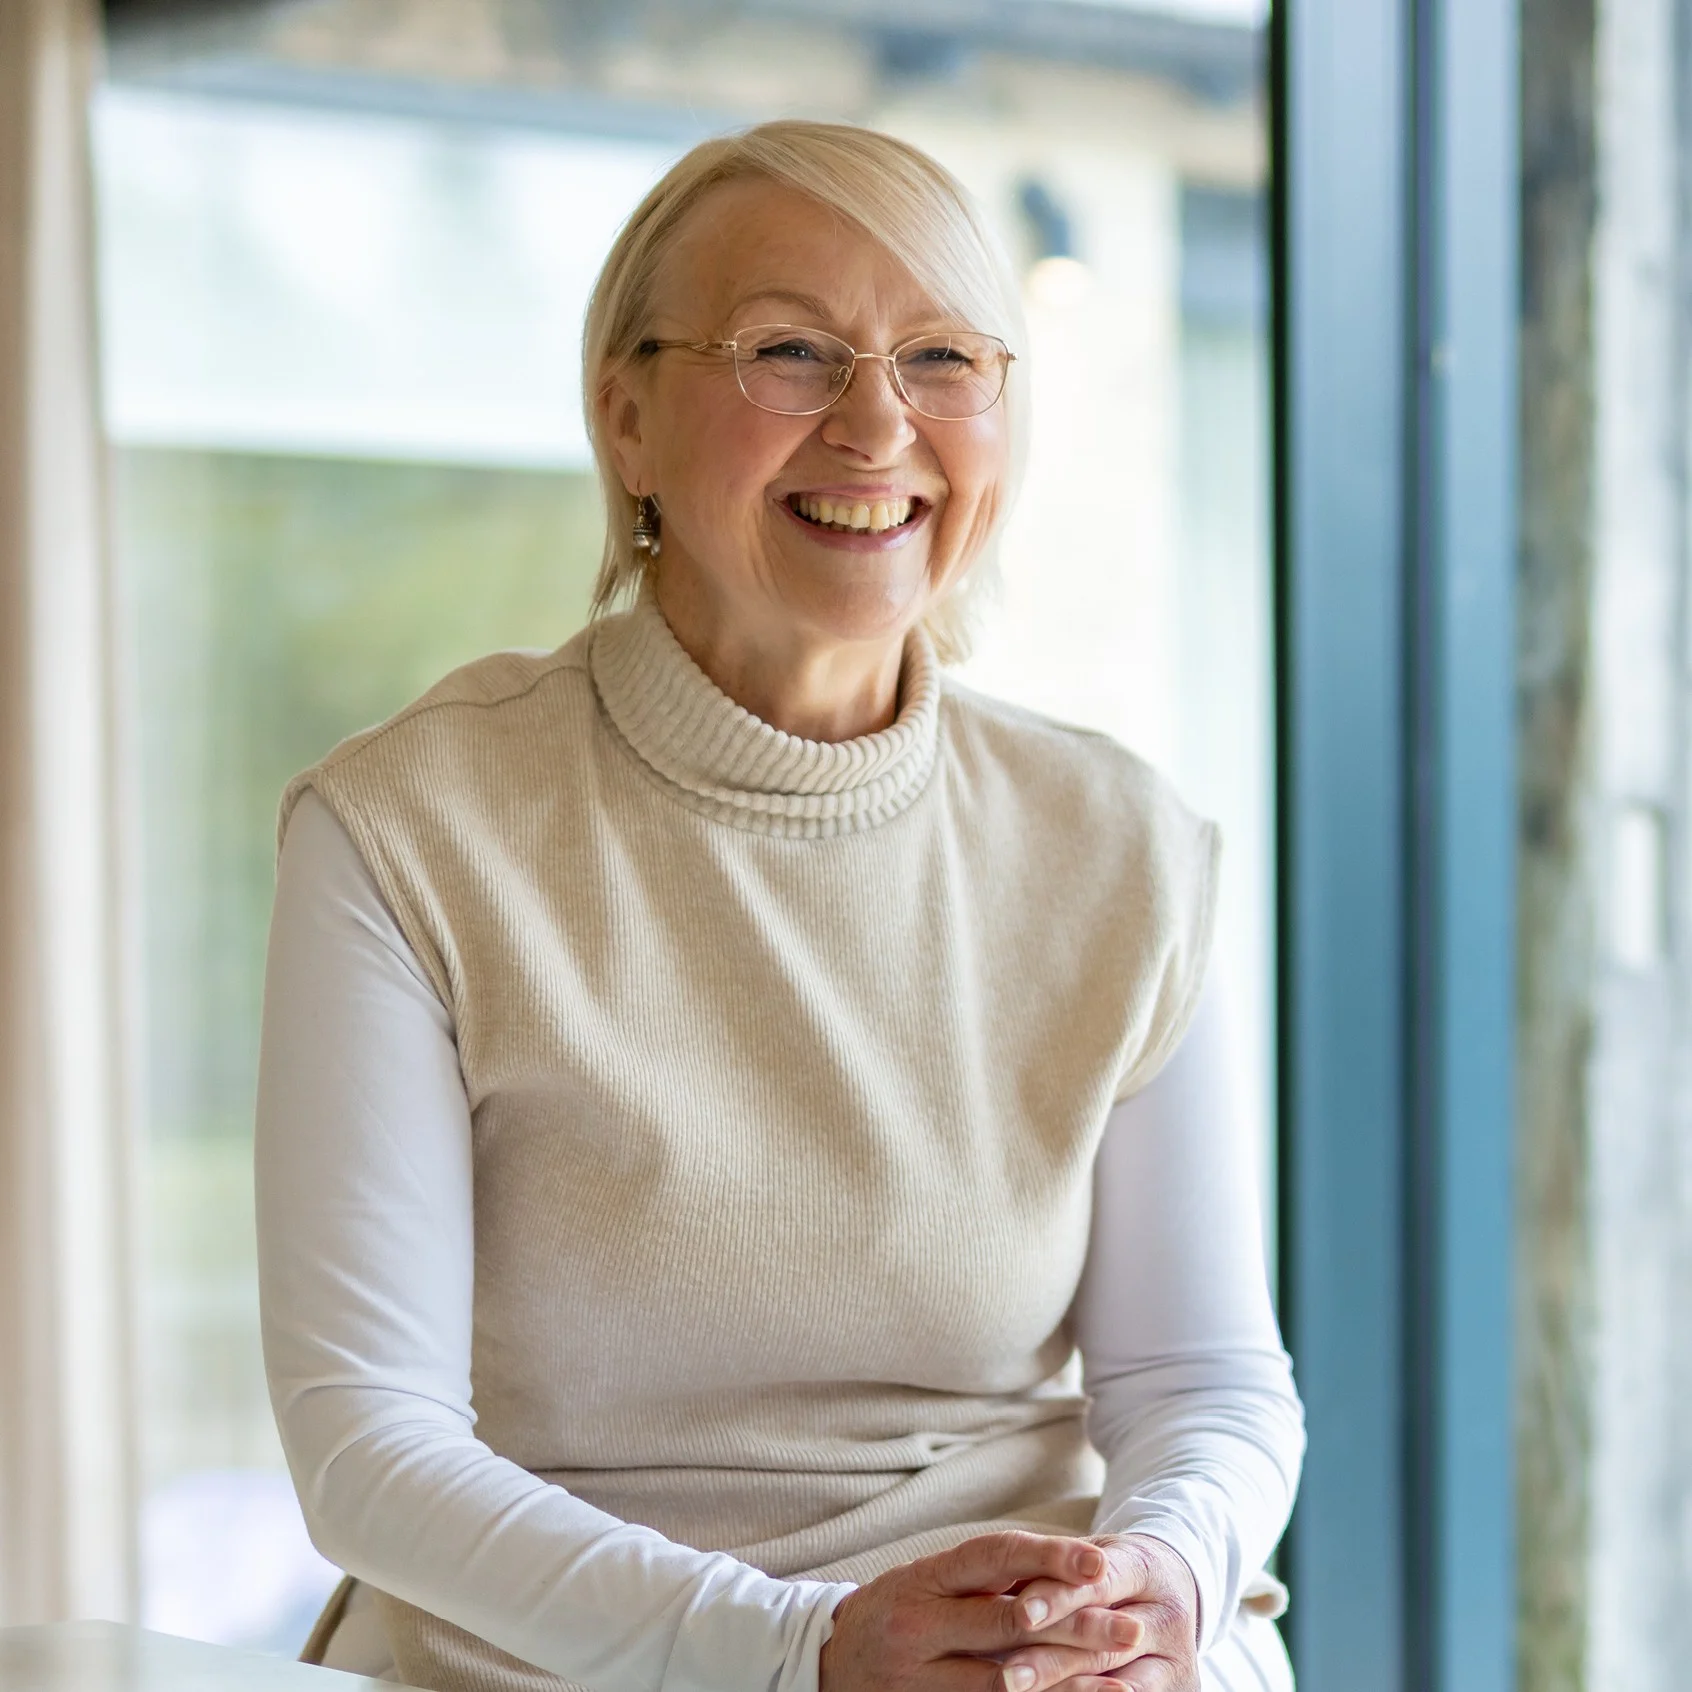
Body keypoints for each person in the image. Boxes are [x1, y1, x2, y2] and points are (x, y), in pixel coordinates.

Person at [254, 119, 1304, 1692]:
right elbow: (369, 1449)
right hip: (562, 1665)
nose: (879, 425)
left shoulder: (1125, 846)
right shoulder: (411, 830)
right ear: (626, 418)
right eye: (791, 353)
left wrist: (1153, 1587)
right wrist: (798, 1648)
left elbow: (1205, 1380)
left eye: (942, 356)